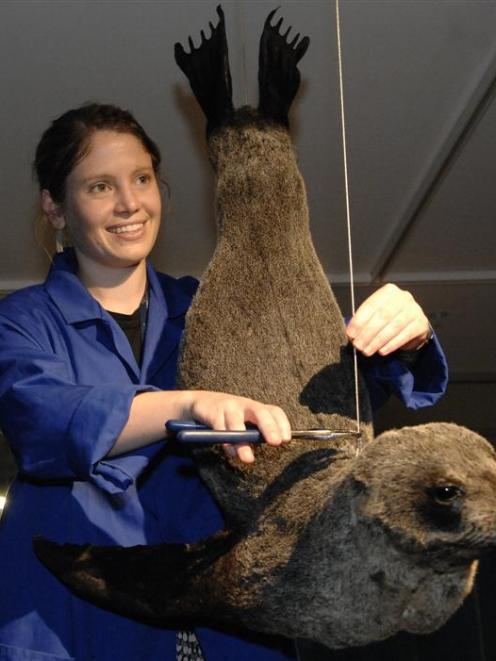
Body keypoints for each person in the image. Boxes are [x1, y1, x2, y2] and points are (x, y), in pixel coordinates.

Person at [0, 103, 447, 661]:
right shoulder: (21, 321)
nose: (129, 203)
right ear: (55, 207)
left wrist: (406, 338)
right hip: (73, 619)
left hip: (230, 629)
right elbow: (41, 420)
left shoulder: (213, 307)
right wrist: (188, 403)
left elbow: (318, 398)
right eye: (99, 186)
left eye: (142, 178)